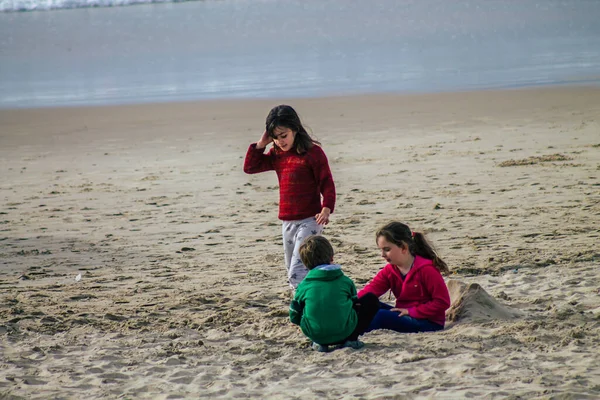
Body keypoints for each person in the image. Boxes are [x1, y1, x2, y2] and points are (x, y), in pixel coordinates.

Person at [243, 105, 336, 290]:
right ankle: (308, 303)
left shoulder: (313, 153)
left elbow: (326, 182)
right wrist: (261, 144)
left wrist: (327, 208)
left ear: (295, 129)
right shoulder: (277, 154)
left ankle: (301, 307)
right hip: (287, 221)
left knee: (296, 271)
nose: (280, 142)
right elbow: (250, 167)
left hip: (311, 219)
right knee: (293, 269)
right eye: (275, 138)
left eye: (283, 136)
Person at [289, 236, 380, 352]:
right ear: (331, 257)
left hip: (316, 334)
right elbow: (355, 306)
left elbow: (294, 315)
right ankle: (351, 340)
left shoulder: (303, 286)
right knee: (370, 300)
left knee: (302, 306)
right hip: (345, 332)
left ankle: (319, 343)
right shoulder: (346, 281)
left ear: (305, 264)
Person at [358, 221, 451, 333]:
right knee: (365, 304)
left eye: (387, 249)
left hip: (428, 322)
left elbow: (442, 302)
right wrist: (350, 302)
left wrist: (411, 311)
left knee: (381, 316)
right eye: (381, 250)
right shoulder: (390, 270)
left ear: (403, 248)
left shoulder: (427, 269)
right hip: (402, 313)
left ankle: (353, 336)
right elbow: (371, 291)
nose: (382, 255)